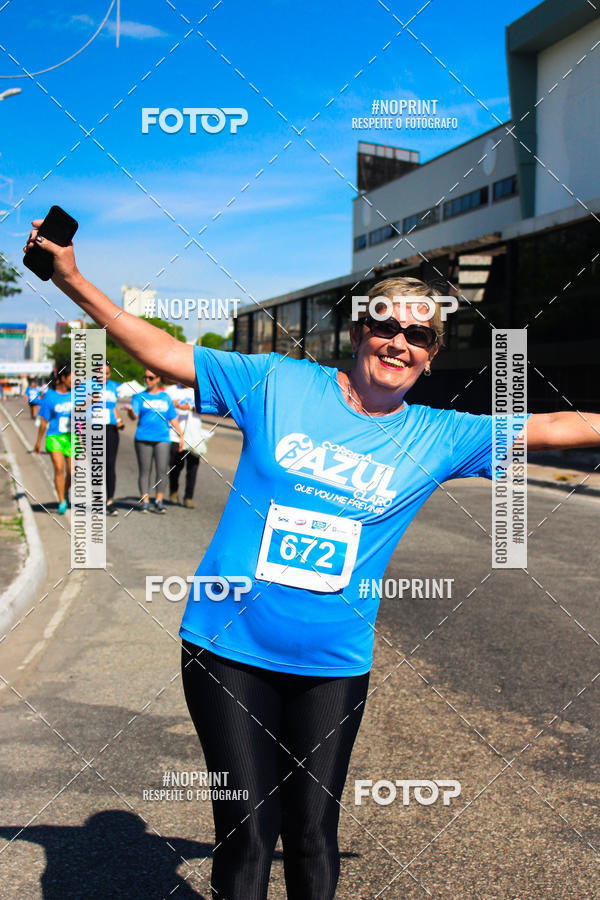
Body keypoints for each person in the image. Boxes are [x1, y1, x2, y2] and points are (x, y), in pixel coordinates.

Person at [24, 221, 600, 899]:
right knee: (246, 833)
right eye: (387, 326)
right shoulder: (276, 383)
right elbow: (162, 349)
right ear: (360, 333)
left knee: (312, 834)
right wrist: (69, 277)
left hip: (333, 662)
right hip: (228, 648)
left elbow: (561, 426)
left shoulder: (441, 434)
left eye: (419, 337)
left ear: (431, 356)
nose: (400, 343)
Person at [124, 371, 184, 513]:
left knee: (162, 470)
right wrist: (130, 411)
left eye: (151, 378)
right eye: (145, 377)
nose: (148, 380)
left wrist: (180, 435)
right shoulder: (139, 397)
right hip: (143, 438)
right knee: (145, 471)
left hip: (162, 438)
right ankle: (145, 501)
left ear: (158, 379)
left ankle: (159, 500)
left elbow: (172, 417)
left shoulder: (165, 397)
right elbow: (134, 416)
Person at [85, 360, 125, 516]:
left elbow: (112, 405)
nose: (104, 376)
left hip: (110, 428)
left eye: (107, 373)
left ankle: (110, 501)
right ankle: (96, 499)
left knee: (110, 465)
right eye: (101, 373)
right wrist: (89, 401)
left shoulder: (113, 386)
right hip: (93, 428)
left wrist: (119, 419)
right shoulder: (87, 386)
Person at [34, 362, 73, 515]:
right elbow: (44, 421)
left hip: (72, 437)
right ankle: (61, 500)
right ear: (63, 378)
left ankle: (64, 490)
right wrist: (38, 442)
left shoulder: (76, 394)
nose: (74, 379)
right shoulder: (50, 396)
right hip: (55, 437)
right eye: (71, 376)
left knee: (72, 472)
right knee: (59, 468)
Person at [165, 380, 200, 508]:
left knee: (193, 468)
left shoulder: (198, 390)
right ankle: (173, 492)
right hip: (174, 436)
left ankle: (188, 497)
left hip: (194, 437)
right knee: (175, 467)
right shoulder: (171, 390)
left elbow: (207, 408)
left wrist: (190, 407)